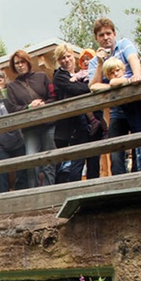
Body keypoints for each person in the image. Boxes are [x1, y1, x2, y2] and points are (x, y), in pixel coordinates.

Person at [87, 18, 141, 173]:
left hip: (137, 103)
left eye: (108, 33)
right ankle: (120, 183)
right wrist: (102, 65)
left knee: (140, 145)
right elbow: (93, 86)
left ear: (114, 33)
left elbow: (133, 61)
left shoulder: (124, 45)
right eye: (101, 35)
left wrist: (135, 76)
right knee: (116, 150)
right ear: (96, 38)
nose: (105, 37)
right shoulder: (94, 61)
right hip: (116, 110)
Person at [4, 49, 57, 186]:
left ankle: (49, 190)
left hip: (48, 123)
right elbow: (12, 108)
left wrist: (43, 104)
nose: (20, 65)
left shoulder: (42, 77)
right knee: (31, 160)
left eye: (22, 62)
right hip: (29, 128)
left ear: (28, 62)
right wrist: (29, 107)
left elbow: (54, 96)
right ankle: (34, 192)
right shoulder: (12, 87)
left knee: (49, 159)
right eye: (16, 63)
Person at [52, 44, 101, 183]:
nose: (66, 60)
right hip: (72, 127)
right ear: (58, 60)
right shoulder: (59, 76)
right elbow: (75, 89)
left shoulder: (81, 73)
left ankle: (94, 189)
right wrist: (92, 86)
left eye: (68, 56)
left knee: (93, 159)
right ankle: (74, 192)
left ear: (73, 56)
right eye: (62, 58)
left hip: (90, 123)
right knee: (76, 162)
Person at [0, 70, 29, 193]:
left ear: (5, 81)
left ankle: (21, 195)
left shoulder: (11, 92)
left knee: (22, 171)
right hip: (2, 142)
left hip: (19, 138)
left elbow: (10, 102)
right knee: (1, 172)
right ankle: (2, 197)